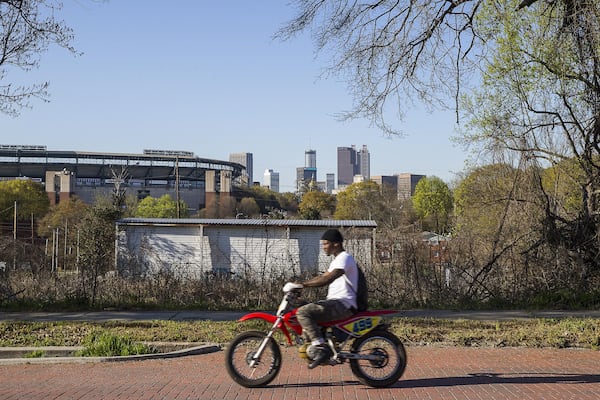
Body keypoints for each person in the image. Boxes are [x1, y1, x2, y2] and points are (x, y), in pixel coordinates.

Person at [295, 228, 358, 369]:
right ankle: (318, 348)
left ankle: (320, 348)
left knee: (303, 312)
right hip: (336, 303)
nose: (323, 247)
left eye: (325, 244)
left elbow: (327, 278)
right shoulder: (337, 260)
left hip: (343, 304)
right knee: (303, 309)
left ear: (336, 244)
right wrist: (300, 287)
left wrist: (302, 285)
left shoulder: (344, 258)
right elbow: (322, 276)